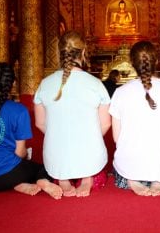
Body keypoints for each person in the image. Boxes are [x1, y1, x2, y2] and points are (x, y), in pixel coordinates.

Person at [34, 30, 111, 197]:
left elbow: (40, 123)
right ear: (83, 52)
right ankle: (87, 176)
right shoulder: (95, 84)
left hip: (56, 153)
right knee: (91, 139)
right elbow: (106, 124)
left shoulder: (45, 84)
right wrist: (87, 136)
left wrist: (61, 135)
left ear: (59, 53)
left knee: (59, 143)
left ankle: (63, 179)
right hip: (90, 151)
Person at [0, 63, 62, 198]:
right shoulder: (18, 110)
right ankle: (40, 181)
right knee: (46, 168)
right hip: (8, 174)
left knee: (14, 167)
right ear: (13, 83)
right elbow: (20, 153)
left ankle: (18, 183)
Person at [110, 41, 160, 196]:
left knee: (124, 162)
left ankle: (131, 178)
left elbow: (116, 137)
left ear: (132, 63)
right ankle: (158, 178)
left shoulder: (120, 92)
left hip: (129, 163)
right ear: (156, 61)